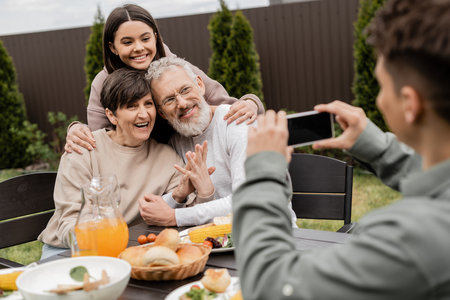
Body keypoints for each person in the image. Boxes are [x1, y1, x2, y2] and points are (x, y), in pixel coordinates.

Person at [232, 0, 450, 298]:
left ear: (410, 104)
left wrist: (262, 172)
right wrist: (377, 147)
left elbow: (271, 285)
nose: (379, 101)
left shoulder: (413, 239)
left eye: (383, 86)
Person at [38, 68, 213, 259]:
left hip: (131, 249)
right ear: (112, 115)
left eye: (148, 104)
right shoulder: (83, 150)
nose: (144, 114)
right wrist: (106, 242)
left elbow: (187, 219)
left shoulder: (167, 158)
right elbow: (68, 223)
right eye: (131, 106)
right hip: (68, 251)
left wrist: (196, 193)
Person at [65, 3, 264, 153]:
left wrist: (250, 102)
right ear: (113, 47)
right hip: (137, 165)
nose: (139, 48)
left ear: (156, 36)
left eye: (145, 38)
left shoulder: (174, 69)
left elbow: (222, 103)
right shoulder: (103, 83)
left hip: (183, 156)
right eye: (127, 42)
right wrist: (76, 129)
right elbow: (99, 138)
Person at [142, 57, 298, 227]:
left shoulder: (236, 123)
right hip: (219, 240)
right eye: (169, 100)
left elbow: (248, 198)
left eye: (185, 90)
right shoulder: (176, 143)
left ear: (200, 85)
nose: (182, 103)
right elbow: (157, 210)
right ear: (162, 113)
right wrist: (178, 195)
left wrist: (176, 216)